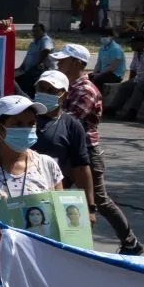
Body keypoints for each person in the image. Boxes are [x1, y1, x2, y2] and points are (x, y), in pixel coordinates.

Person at [53, 44, 144, 255]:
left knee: (100, 201)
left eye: (63, 60)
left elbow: (68, 121)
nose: (59, 64)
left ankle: (131, 243)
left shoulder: (85, 90)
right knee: (52, 193)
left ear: (77, 63)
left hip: (85, 153)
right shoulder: (69, 87)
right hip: (68, 152)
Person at [0, 94, 64, 202]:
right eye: (17, 124)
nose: (26, 129)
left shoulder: (47, 166)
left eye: (31, 123)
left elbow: (60, 212)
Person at [30, 71, 97, 209]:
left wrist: (90, 207)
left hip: (53, 196)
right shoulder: (23, 118)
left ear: (64, 95)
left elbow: (81, 167)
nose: (44, 93)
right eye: (41, 89)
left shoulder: (72, 125)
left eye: (51, 90)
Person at [109, 33, 144, 122]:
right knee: (124, 86)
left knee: (140, 86)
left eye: (133, 43)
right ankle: (114, 108)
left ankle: (132, 113)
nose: (131, 45)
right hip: (142, 78)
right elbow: (133, 70)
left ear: (141, 43)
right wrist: (130, 82)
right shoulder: (137, 52)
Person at [93, 29, 127, 96]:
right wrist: (94, 73)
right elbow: (98, 63)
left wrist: (98, 75)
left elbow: (112, 68)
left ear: (111, 37)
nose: (103, 38)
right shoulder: (102, 48)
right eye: (102, 36)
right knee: (88, 78)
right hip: (103, 73)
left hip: (115, 75)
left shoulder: (116, 49)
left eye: (105, 36)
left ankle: (100, 99)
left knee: (98, 81)